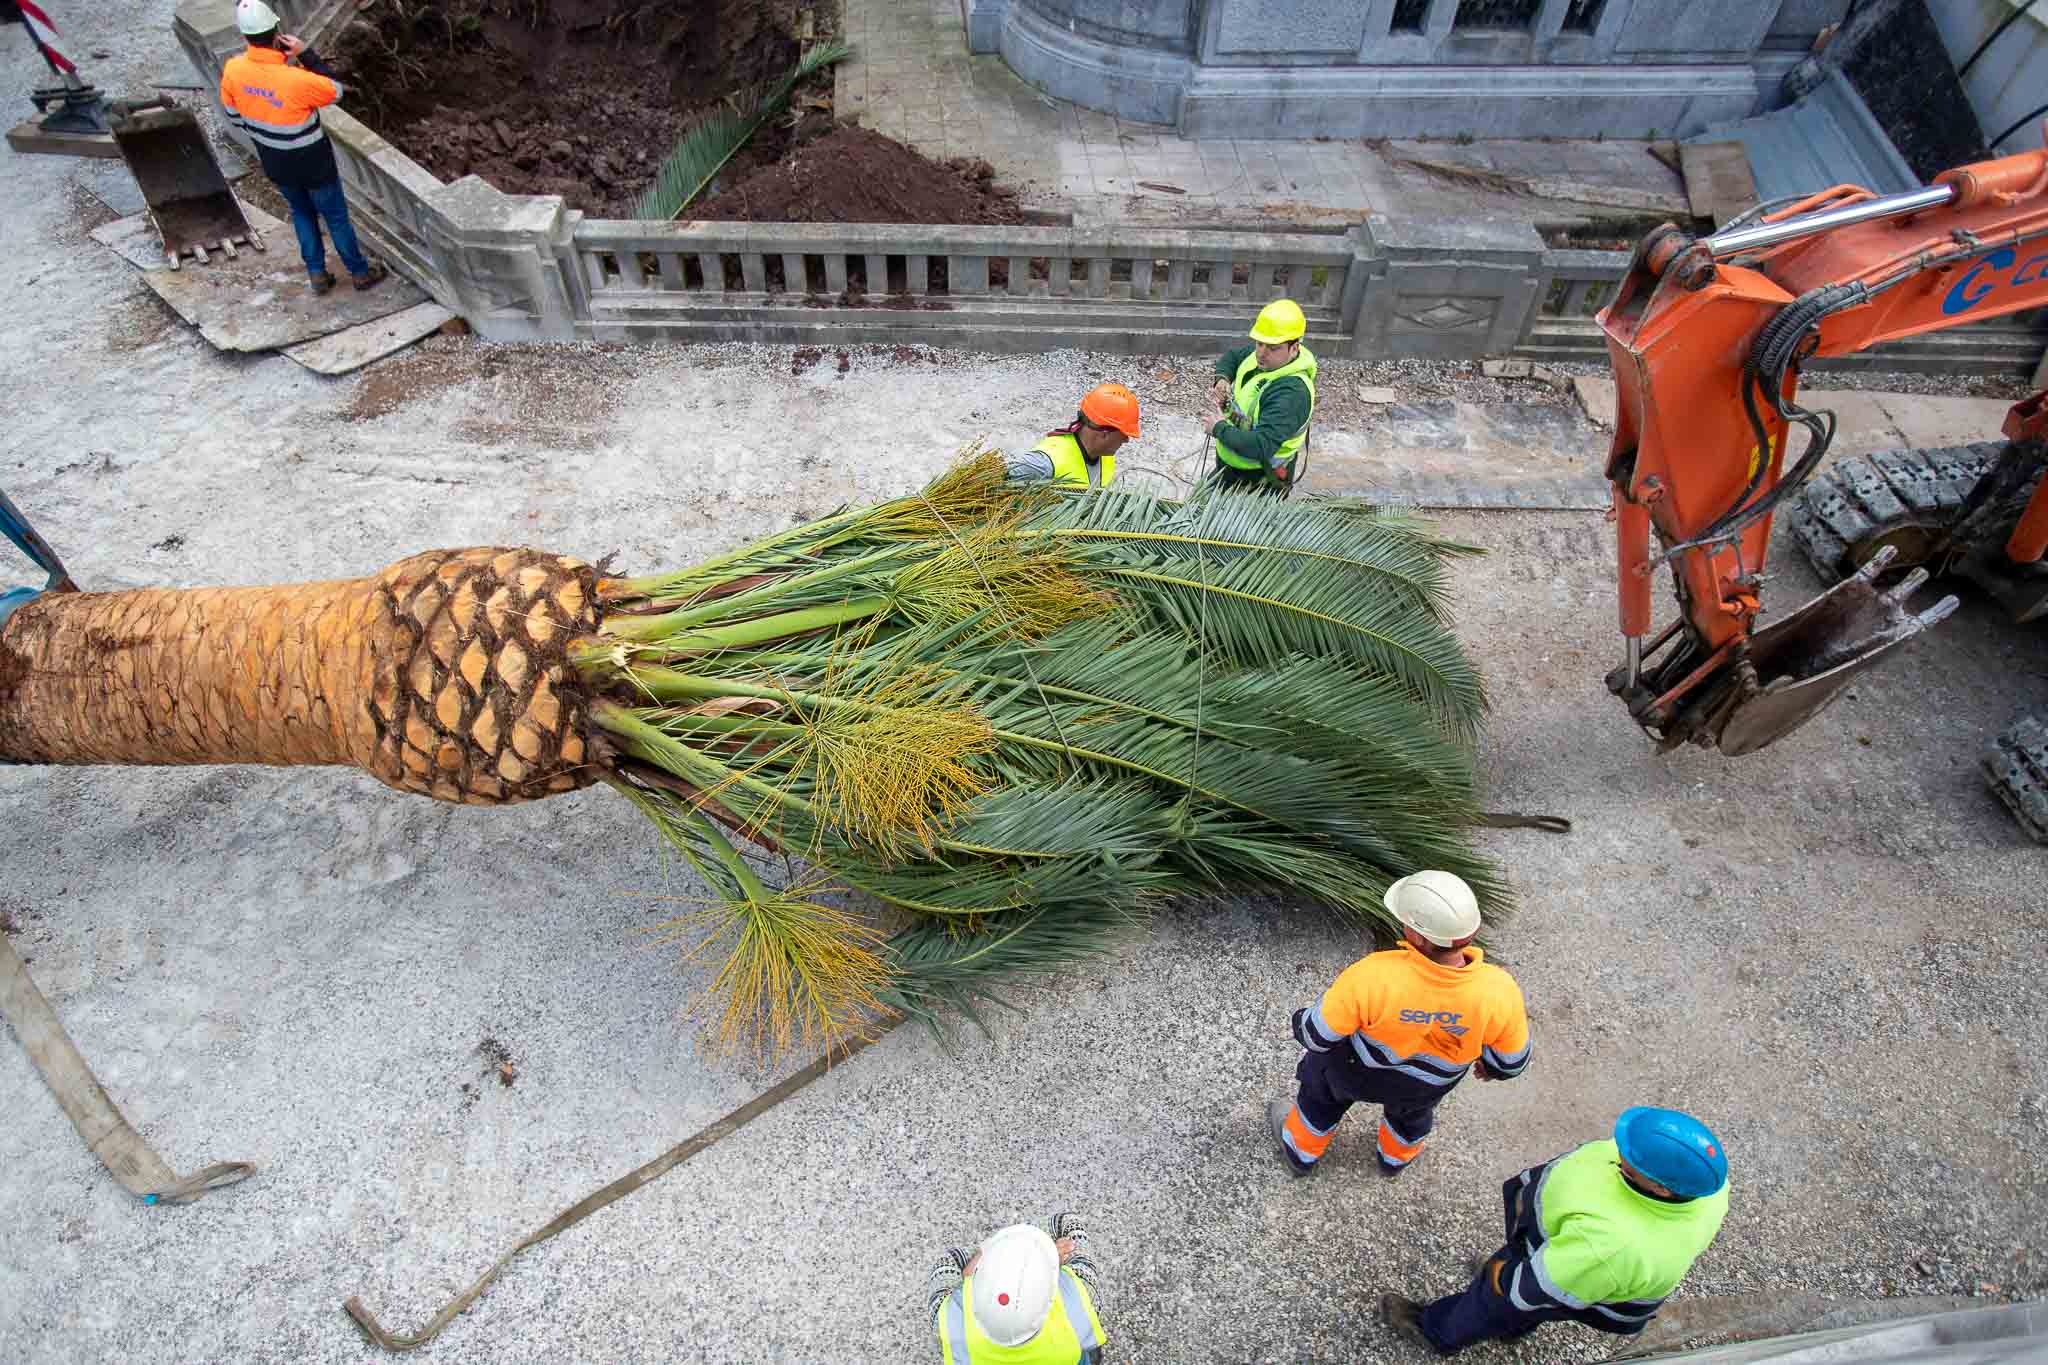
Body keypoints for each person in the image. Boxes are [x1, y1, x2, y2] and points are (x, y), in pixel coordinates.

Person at [1380, 1107, 1731, 1356]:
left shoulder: (1612, 1248)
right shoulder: (1708, 1189)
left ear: (1661, 1189)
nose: (1619, 1149)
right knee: (1525, 1307)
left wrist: (1504, 1281)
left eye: (1631, 1156)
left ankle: (1437, 1331)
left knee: (1493, 1302)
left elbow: (1539, 1287)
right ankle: (1513, 1327)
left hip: (1558, 1269)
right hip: (1567, 1262)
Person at [1267, 870, 1528, 1179]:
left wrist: (1300, 1020)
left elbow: (1317, 1035)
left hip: (1351, 1072)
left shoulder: (1373, 975)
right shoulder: (1499, 990)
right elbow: (1512, 1061)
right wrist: (1491, 1068)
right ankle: (1394, 1159)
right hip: (1425, 1086)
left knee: (1319, 1100)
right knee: (1411, 1117)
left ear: (1416, 936)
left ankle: (1301, 1151)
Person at [218, 0, 385, 296]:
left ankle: (317, 273)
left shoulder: (233, 70)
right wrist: (305, 53)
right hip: (313, 162)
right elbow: (336, 91)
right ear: (276, 34)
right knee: (335, 216)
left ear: (245, 37)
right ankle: (359, 272)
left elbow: (233, 116)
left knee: (301, 212)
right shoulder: (297, 79)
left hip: (275, 161)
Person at [926, 1216, 1107, 1363]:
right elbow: (1068, 1223)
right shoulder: (1081, 1293)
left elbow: (950, 1260)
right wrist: (1043, 1250)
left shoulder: (947, 1318)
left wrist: (987, 1251)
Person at [1205, 299, 1316, 494]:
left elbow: (1261, 446)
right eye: (1259, 343)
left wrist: (1219, 429)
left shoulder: (1291, 394)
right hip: (1232, 466)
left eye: (1273, 348)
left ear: (1294, 348)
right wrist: (1222, 380)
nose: (1262, 353)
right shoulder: (1262, 357)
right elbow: (1233, 357)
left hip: (1261, 480)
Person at [1006, 384, 1141, 489]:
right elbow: (1001, 482)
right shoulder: (1045, 462)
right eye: (1124, 434)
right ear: (1104, 434)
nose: (1126, 440)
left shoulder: (1105, 457)